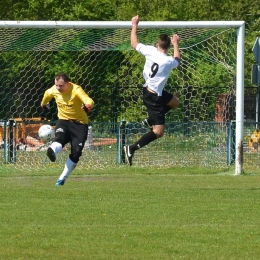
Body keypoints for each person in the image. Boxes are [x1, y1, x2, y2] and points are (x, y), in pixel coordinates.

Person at [124, 15, 181, 166]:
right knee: (159, 132)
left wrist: (134, 24)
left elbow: (134, 43)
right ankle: (131, 149)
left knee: (175, 102)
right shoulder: (168, 61)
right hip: (154, 97)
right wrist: (176, 43)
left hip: (152, 92)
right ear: (167, 47)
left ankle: (149, 120)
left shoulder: (150, 51)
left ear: (157, 44)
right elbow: (178, 60)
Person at [41, 73, 94, 186]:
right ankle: (52, 151)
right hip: (63, 121)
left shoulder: (76, 89)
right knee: (59, 138)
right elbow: (46, 95)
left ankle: (61, 179)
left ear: (68, 83)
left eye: (61, 85)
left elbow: (88, 100)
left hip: (80, 125)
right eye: (56, 85)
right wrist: (44, 104)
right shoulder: (53, 90)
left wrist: (87, 106)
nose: (58, 88)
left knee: (76, 153)